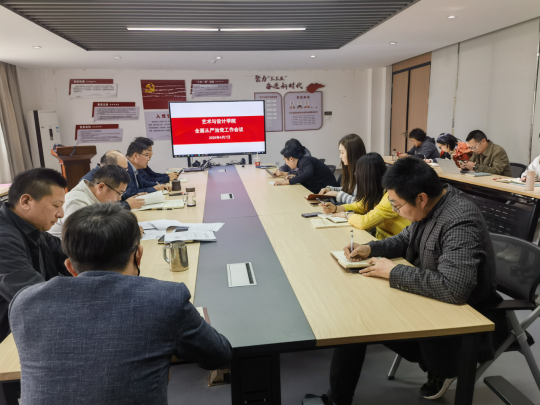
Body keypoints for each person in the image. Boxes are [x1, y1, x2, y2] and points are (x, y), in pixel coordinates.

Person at [306, 158, 507, 404]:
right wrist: (370, 248)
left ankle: (339, 399)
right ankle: (338, 399)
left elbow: (454, 288)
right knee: (356, 317)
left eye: (396, 205)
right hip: (430, 299)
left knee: (359, 324)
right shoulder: (431, 205)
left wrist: (393, 272)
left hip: (456, 322)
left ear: (421, 198)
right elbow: (403, 240)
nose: (394, 210)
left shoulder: (460, 219)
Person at [9, 203, 233, 405]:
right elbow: (219, 355)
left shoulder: (25, 303)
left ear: (70, 267)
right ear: (139, 255)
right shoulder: (165, 299)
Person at [0, 168, 72, 343]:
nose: (61, 214)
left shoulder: (34, 230)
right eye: (56, 205)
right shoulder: (4, 240)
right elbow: (33, 297)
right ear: (26, 201)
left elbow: (73, 257)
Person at [319, 153, 410, 240]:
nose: (357, 178)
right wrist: (335, 208)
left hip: (393, 243)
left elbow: (364, 222)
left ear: (366, 178)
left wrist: (347, 215)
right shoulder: (377, 191)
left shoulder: (390, 198)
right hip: (381, 238)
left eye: (357, 174)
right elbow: (360, 206)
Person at [49, 165, 130, 239]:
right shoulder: (78, 203)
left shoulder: (94, 196)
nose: (120, 198)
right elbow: (85, 239)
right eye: (119, 193)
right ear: (101, 186)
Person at [318, 134, 366, 205]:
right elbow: (350, 190)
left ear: (353, 153)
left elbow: (359, 203)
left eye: (342, 152)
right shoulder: (351, 170)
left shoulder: (364, 175)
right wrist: (330, 189)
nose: (340, 156)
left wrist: (337, 194)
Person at [274, 144, 338, 193]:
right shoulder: (302, 161)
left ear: (291, 159)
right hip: (318, 187)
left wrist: (288, 182)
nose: (286, 163)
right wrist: (294, 176)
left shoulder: (305, 161)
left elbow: (308, 173)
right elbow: (304, 173)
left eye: (285, 160)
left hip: (326, 190)